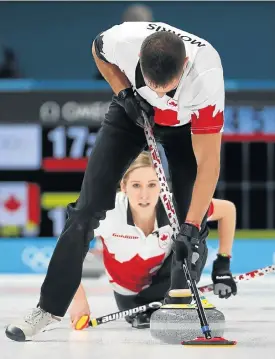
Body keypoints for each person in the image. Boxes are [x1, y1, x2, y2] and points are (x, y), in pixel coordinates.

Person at [6, 21, 237, 342]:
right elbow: (98, 51)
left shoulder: (207, 78)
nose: (160, 94)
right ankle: (48, 307)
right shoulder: (122, 40)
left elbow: (209, 162)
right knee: (84, 212)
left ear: (185, 66)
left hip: (185, 127)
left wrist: (191, 224)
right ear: (139, 58)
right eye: (153, 84)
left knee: (191, 223)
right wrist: (125, 92)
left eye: (168, 89)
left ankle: (181, 302)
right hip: (132, 113)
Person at [69, 152, 237, 329]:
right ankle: (175, 302)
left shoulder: (174, 205)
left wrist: (223, 265)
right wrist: (78, 300)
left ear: (162, 186)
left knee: (195, 223)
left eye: (152, 185)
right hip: (131, 298)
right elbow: (67, 252)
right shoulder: (107, 211)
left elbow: (227, 210)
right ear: (123, 187)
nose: (144, 195)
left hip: (167, 283)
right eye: (136, 186)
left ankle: (182, 300)